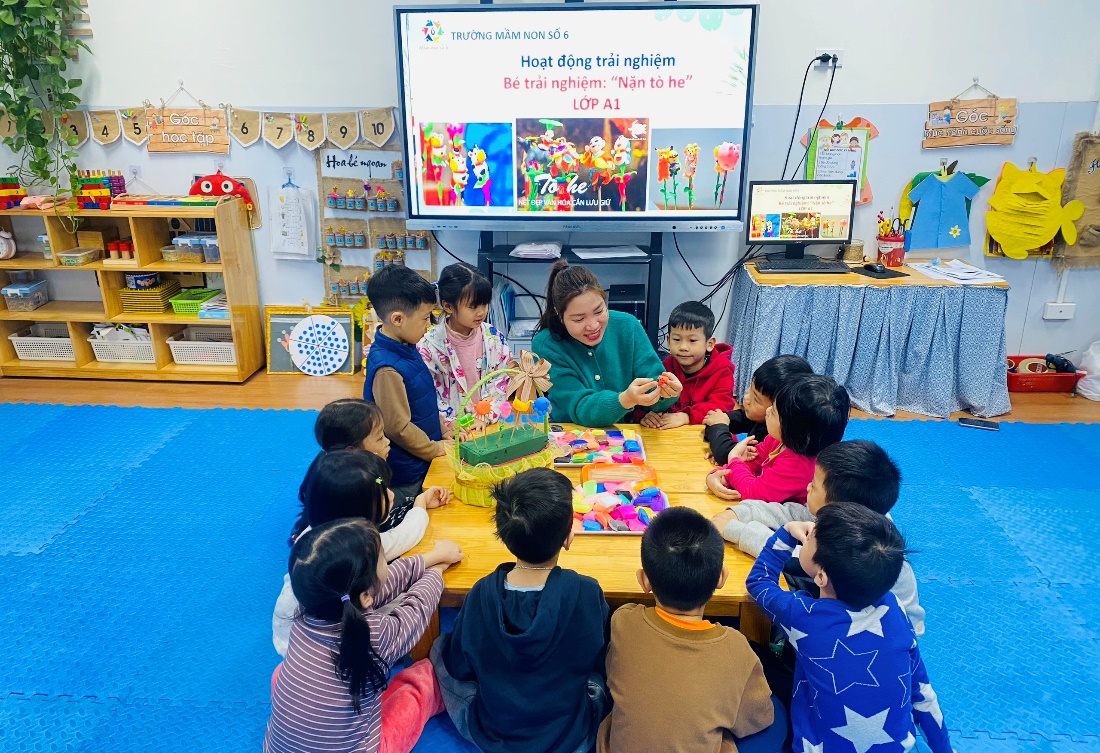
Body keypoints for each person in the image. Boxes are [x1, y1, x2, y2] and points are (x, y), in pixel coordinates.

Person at [746, 504, 952, 753]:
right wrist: (944, 749)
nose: (807, 535)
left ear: (820, 577)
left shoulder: (804, 616)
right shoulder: (894, 606)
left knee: (750, 652)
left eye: (810, 538)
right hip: (898, 748)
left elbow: (759, 581)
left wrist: (787, 532)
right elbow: (922, 691)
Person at [431, 467, 608, 753]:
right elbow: (598, 659)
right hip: (570, 737)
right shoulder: (587, 592)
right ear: (568, 537)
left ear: (504, 536)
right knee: (600, 684)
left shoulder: (480, 594)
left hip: (494, 734)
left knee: (440, 648)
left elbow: (459, 665)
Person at [265, 518, 464, 753]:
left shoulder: (306, 612)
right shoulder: (374, 635)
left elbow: (378, 586)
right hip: (363, 748)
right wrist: (436, 571)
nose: (389, 562)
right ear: (364, 596)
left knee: (281, 673)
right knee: (426, 676)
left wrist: (429, 557)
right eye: (384, 558)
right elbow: (416, 610)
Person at [597, 507, 785, 753]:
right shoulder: (736, 649)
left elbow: (612, 673)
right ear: (721, 577)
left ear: (644, 580)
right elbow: (757, 718)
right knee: (777, 714)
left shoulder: (623, 621)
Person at [712, 439, 925, 636]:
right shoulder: (862, 512)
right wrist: (740, 512)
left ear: (836, 506)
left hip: (858, 640)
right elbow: (793, 513)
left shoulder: (859, 551)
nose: (807, 487)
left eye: (813, 485)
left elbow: (796, 558)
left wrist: (736, 530)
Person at [272, 449, 451, 657]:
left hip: (296, 638)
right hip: (323, 648)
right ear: (356, 510)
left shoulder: (318, 535)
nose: (392, 495)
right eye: (381, 493)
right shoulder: (359, 547)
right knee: (407, 597)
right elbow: (405, 537)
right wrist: (434, 569)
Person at [532, 260, 682, 427]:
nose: (593, 326)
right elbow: (580, 406)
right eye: (579, 319)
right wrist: (625, 399)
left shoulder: (628, 326)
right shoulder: (546, 345)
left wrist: (665, 393)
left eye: (599, 311)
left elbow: (654, 382)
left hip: (623, 434)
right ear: (560, 315)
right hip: (569, 433)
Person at [364, 265, 447, 499]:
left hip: (422, 457)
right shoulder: (387, 369)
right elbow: (398, 428)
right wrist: (433, 449)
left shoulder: (405, 346)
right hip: (407, 473)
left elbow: (422, 400)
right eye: (424, 318)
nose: (428, 324)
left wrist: (444, 430)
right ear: (398, 319)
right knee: (411, 510)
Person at [707, 374, 849, 504]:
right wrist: (719, 476)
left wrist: (733, 459)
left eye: (774, 412)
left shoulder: (797, 465)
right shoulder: (779, 440)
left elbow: (752, 493)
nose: (768, 411)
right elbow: (752, 463)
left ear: (792, 430)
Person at [418, 264, 513, 427]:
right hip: (450, 430)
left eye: (485, 304)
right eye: (473, 306)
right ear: (448, 306)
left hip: (487, 425)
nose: (481, 312)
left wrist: (484, 415)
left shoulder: (493, 337)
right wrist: (449, 423)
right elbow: (427, 392)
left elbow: (502, 379)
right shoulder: (429, 346)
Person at [289, 398, 392, 545]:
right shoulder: (352, 481)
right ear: (352, 450)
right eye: (380, 438)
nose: (387, 442)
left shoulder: (358, 467)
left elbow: (379, 481)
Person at [639, 301, 735, 430]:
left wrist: (687, 416)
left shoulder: (722, 371)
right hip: (669, 434)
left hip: (703, 435)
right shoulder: (663, 369)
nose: (683, 347)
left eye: (692, 340)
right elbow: (643, 402)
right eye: (677, 340)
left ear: (710, 344)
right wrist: (647, 416)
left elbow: (722, 407)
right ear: (668, 341)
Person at [703, 354, 813, 465]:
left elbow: (733, 456)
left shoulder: (773, 436)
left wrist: (719, 440)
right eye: (750, 389)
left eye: (756, 399)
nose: (746, 398)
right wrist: (719, 437)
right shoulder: (759, 418)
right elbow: (712, 422)